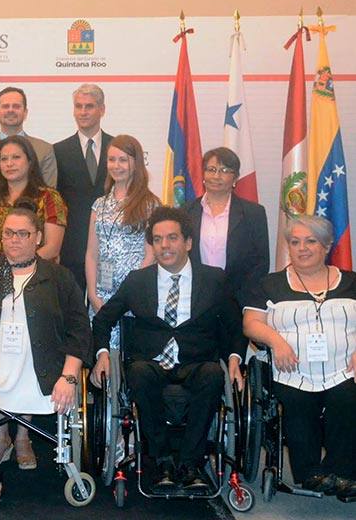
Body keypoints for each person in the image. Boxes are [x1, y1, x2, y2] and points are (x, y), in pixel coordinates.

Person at [91, 207, 246, 492]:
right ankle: (161, 461)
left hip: (197, 361)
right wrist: (102, 354)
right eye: (158, 239)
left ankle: (191, 463)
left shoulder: (214, 279)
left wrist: (235, 359)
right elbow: (102, 321)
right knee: (137, 372)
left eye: (172, 238)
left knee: (213, 374)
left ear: (187, 242)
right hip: (150, 363)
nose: (165, 245)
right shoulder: (138, 280)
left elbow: (236, 327)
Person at [0, 200, 90, 512]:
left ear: (38, 237)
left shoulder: (58, 277)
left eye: (22, 234)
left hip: (42, 372)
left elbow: (80, 330)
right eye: (8, 233)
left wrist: (68, 376)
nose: (14, 240)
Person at [242, 215, 356, 502]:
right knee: (296, 401)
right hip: (291, 370)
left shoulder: (352, 282)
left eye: (310, 241)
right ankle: (310, 473)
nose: (302, 248)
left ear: (326, 246)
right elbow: (251, 323)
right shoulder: (270, 284)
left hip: (345, 369)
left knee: (348, 399)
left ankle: (342, 473)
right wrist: (276, 341)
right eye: (295, 242)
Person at [85, 135, 159, 349]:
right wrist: (92, 294)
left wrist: (129, 292)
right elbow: (91, 253)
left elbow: (151, 255)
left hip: (133, 295)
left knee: (129, 358)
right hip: (102, 296)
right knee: (102, 355)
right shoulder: (99, 204)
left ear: (136, 163)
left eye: (123, 160)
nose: (116, 166)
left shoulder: (149, 203)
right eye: (111, 160)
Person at [183, 147, 269, 305]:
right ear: (203, 174)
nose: (216, 176)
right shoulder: (186, 212)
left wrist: (242, 298)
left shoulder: (254, 213)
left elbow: (261, 262)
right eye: (211, 169)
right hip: (195, 298)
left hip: (239, 299)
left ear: (235, 178)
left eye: (224, 170)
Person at [0, 135, 67, 266]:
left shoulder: (49, 197)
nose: (9, 164)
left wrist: (16, 269)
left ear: (30, 161)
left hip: (36, 273)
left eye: (16, 157)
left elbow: (52, 248)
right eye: (4, 159)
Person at [54, 84, 114, 290]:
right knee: (73, 314)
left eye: (89, 106)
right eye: (78, 106)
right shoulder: (58, 151)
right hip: (71, 248)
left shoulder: (117, 148)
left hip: (110, 247)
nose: (83, 112)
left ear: (102, 110)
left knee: (106, 311)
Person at [0, 87, 58, 190]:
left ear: (25, 112)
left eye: (16, 106)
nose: (10, 110)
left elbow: (49, 196)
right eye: (5, 106)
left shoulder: (44, 150)